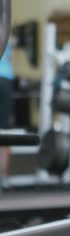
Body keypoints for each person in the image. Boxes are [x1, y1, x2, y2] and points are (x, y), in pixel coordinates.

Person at [0, 42, 14, 181]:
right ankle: (3, 175)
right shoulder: (5, 34)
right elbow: (9, 57)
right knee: (3, 129)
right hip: (5, 79)